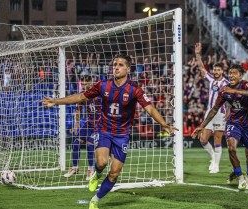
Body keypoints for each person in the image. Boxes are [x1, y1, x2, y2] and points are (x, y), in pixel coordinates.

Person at [41, 53, 178, 209]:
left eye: (120, 65)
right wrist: (55, 101)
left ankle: (96, 199)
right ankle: (97, 173)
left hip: (122, 135)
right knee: (102, 162)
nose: (116, 67)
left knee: (114, 173)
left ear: (128, 68)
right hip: (104, 129)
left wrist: (163, 124)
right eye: (115, 65)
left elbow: (150, 109)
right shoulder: (103, 85)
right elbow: (81, 97)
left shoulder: (135, 89)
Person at [191, 64, 248, 190]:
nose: (231, 75)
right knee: (231, 148)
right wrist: (202, 126)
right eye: (230, 73)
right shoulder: (224, 90)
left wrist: (235, 91)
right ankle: (240, 178)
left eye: (234, 73)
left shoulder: (245, 84)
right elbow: (214, 109)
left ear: (240, 75)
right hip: (234, 123)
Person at [194, 43, 229, 173]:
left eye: (218, 70)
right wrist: (198, 54)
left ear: (222, 71)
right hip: (209, 113)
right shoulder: (211, 79)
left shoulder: (226, 83)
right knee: (203, 139)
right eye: (215, 70)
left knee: (217, 140)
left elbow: (230, 99)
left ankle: (216, 165)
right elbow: (202, 67)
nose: (216, 72)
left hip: (220, 114)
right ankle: (213, 157)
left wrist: (229, 111)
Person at [64, 75, 100, 180]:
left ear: (90, 83)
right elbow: (78, 109)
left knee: (89, 144)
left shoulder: (98, 94)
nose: (83, 86)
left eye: (85, 84)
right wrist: (76, 124)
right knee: (76, 143)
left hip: (99, 123)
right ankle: (75, 167)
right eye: (82, 84)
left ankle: (90, 169)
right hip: (89, 123)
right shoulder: (83, 96)